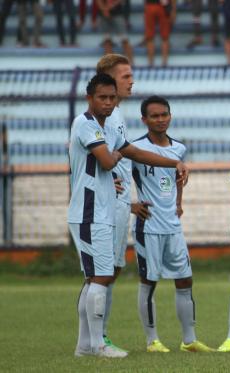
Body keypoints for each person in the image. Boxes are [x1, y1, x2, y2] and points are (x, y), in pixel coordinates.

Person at [69, 74, 189, 358]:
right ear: (90, 97)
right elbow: (111, 159)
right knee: (100, 276)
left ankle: (85, 345)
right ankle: (97, 345)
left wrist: (175, 162)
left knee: (99, 276)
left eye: (112, 98)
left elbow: (135, 151)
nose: (109, 103)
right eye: (103, 97)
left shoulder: (106, 127)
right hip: (88, 211)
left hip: (104, 210)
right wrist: (121, 152)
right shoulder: (85, 124)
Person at [131, 96, 213, 353]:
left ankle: (189, 340)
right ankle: (152, 340)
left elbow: (176, 179)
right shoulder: (133, 149)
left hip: (173, 225)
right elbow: (113, 179)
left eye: (164, 114)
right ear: (144, 120)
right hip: (149, 225)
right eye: (154, 116)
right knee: (149, 281)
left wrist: (179, 202)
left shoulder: (178, 148)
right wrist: (130, 206)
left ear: (170, 116)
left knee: (185, 279)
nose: (160, 119)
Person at [94, 53, 135, 352]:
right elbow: (102, 158)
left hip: (121, 203)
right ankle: (95, 337)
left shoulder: (118, 115)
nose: (132, 81)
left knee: (114, 269)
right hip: (105, 205)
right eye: (126, 77)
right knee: (101, 272)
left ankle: (100, 334)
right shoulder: (102, 118)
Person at [144, 0, 176, 67]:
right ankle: (163, 63)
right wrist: (173, 10)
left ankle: (151, 63)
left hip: (152, 6)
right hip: (162, 6)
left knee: (151, 37)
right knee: (164, 37)